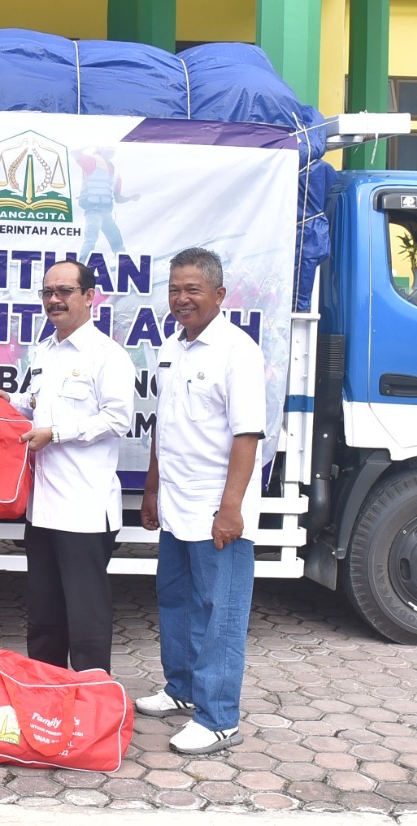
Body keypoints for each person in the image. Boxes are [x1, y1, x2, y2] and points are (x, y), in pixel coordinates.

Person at [136, 247, 266, 755]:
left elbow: (247, 435)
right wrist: (151, 488)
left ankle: (219, 718)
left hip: (217, 508)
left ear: (218, 294)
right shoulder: (173, 348)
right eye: (174, 289)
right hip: (175, 503)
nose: (181, 298)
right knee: (176, 600)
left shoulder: (238, 351)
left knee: (221, 612)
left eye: (192, 289)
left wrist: (231, 508)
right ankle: (183, 689)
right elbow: (162, 426)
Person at [0, 259, 133, 673]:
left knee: (86, 622)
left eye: (65, 291)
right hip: (43, 508)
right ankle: (47, 698)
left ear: (90, 297)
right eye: (48, 292)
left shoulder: (107, 355)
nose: (54, 300)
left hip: (84, 510)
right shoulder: (45, 351)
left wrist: (55, 433)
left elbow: (117, 419)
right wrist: (7, 401)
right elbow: (36, 404)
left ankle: (92, 706)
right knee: (45, 618)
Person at [75, 146, 139, 260]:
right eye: (107, 149)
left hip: (107, 215)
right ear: (101, 149)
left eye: (112, 149)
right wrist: (85, 145)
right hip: (93, 212)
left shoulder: (114, 172)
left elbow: (118, 198)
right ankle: (81, 266)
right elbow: (75, 153)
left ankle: (124, 265)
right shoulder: (92, 161)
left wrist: (130, 198)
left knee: (117, 243)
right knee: (90, 241)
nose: (111, 151)